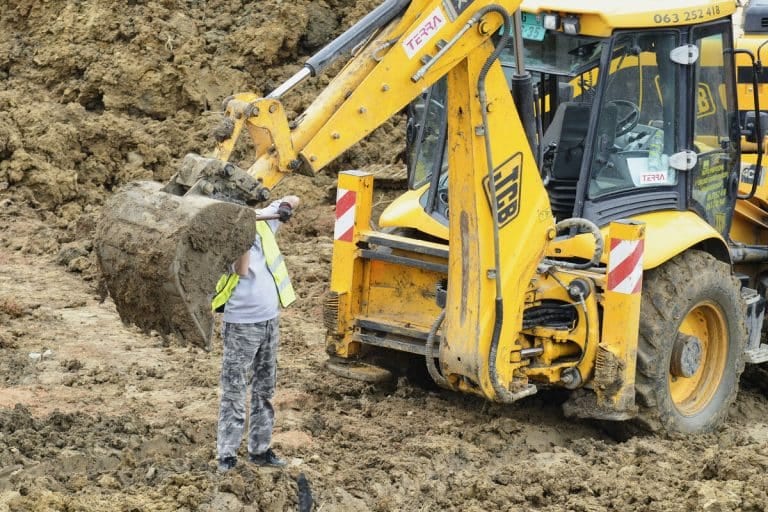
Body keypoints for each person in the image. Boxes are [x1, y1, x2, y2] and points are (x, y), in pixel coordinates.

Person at [214, 195, 300, 472]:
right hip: (242, 324)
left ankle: (260, 450)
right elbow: (241, 269)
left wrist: (285, 208)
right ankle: (227, 455)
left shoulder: (263, 221)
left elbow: (292, 198)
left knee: (265, 389)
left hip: (269, 321)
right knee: (235, 390)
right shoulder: (222, 239)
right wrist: (242, 236)